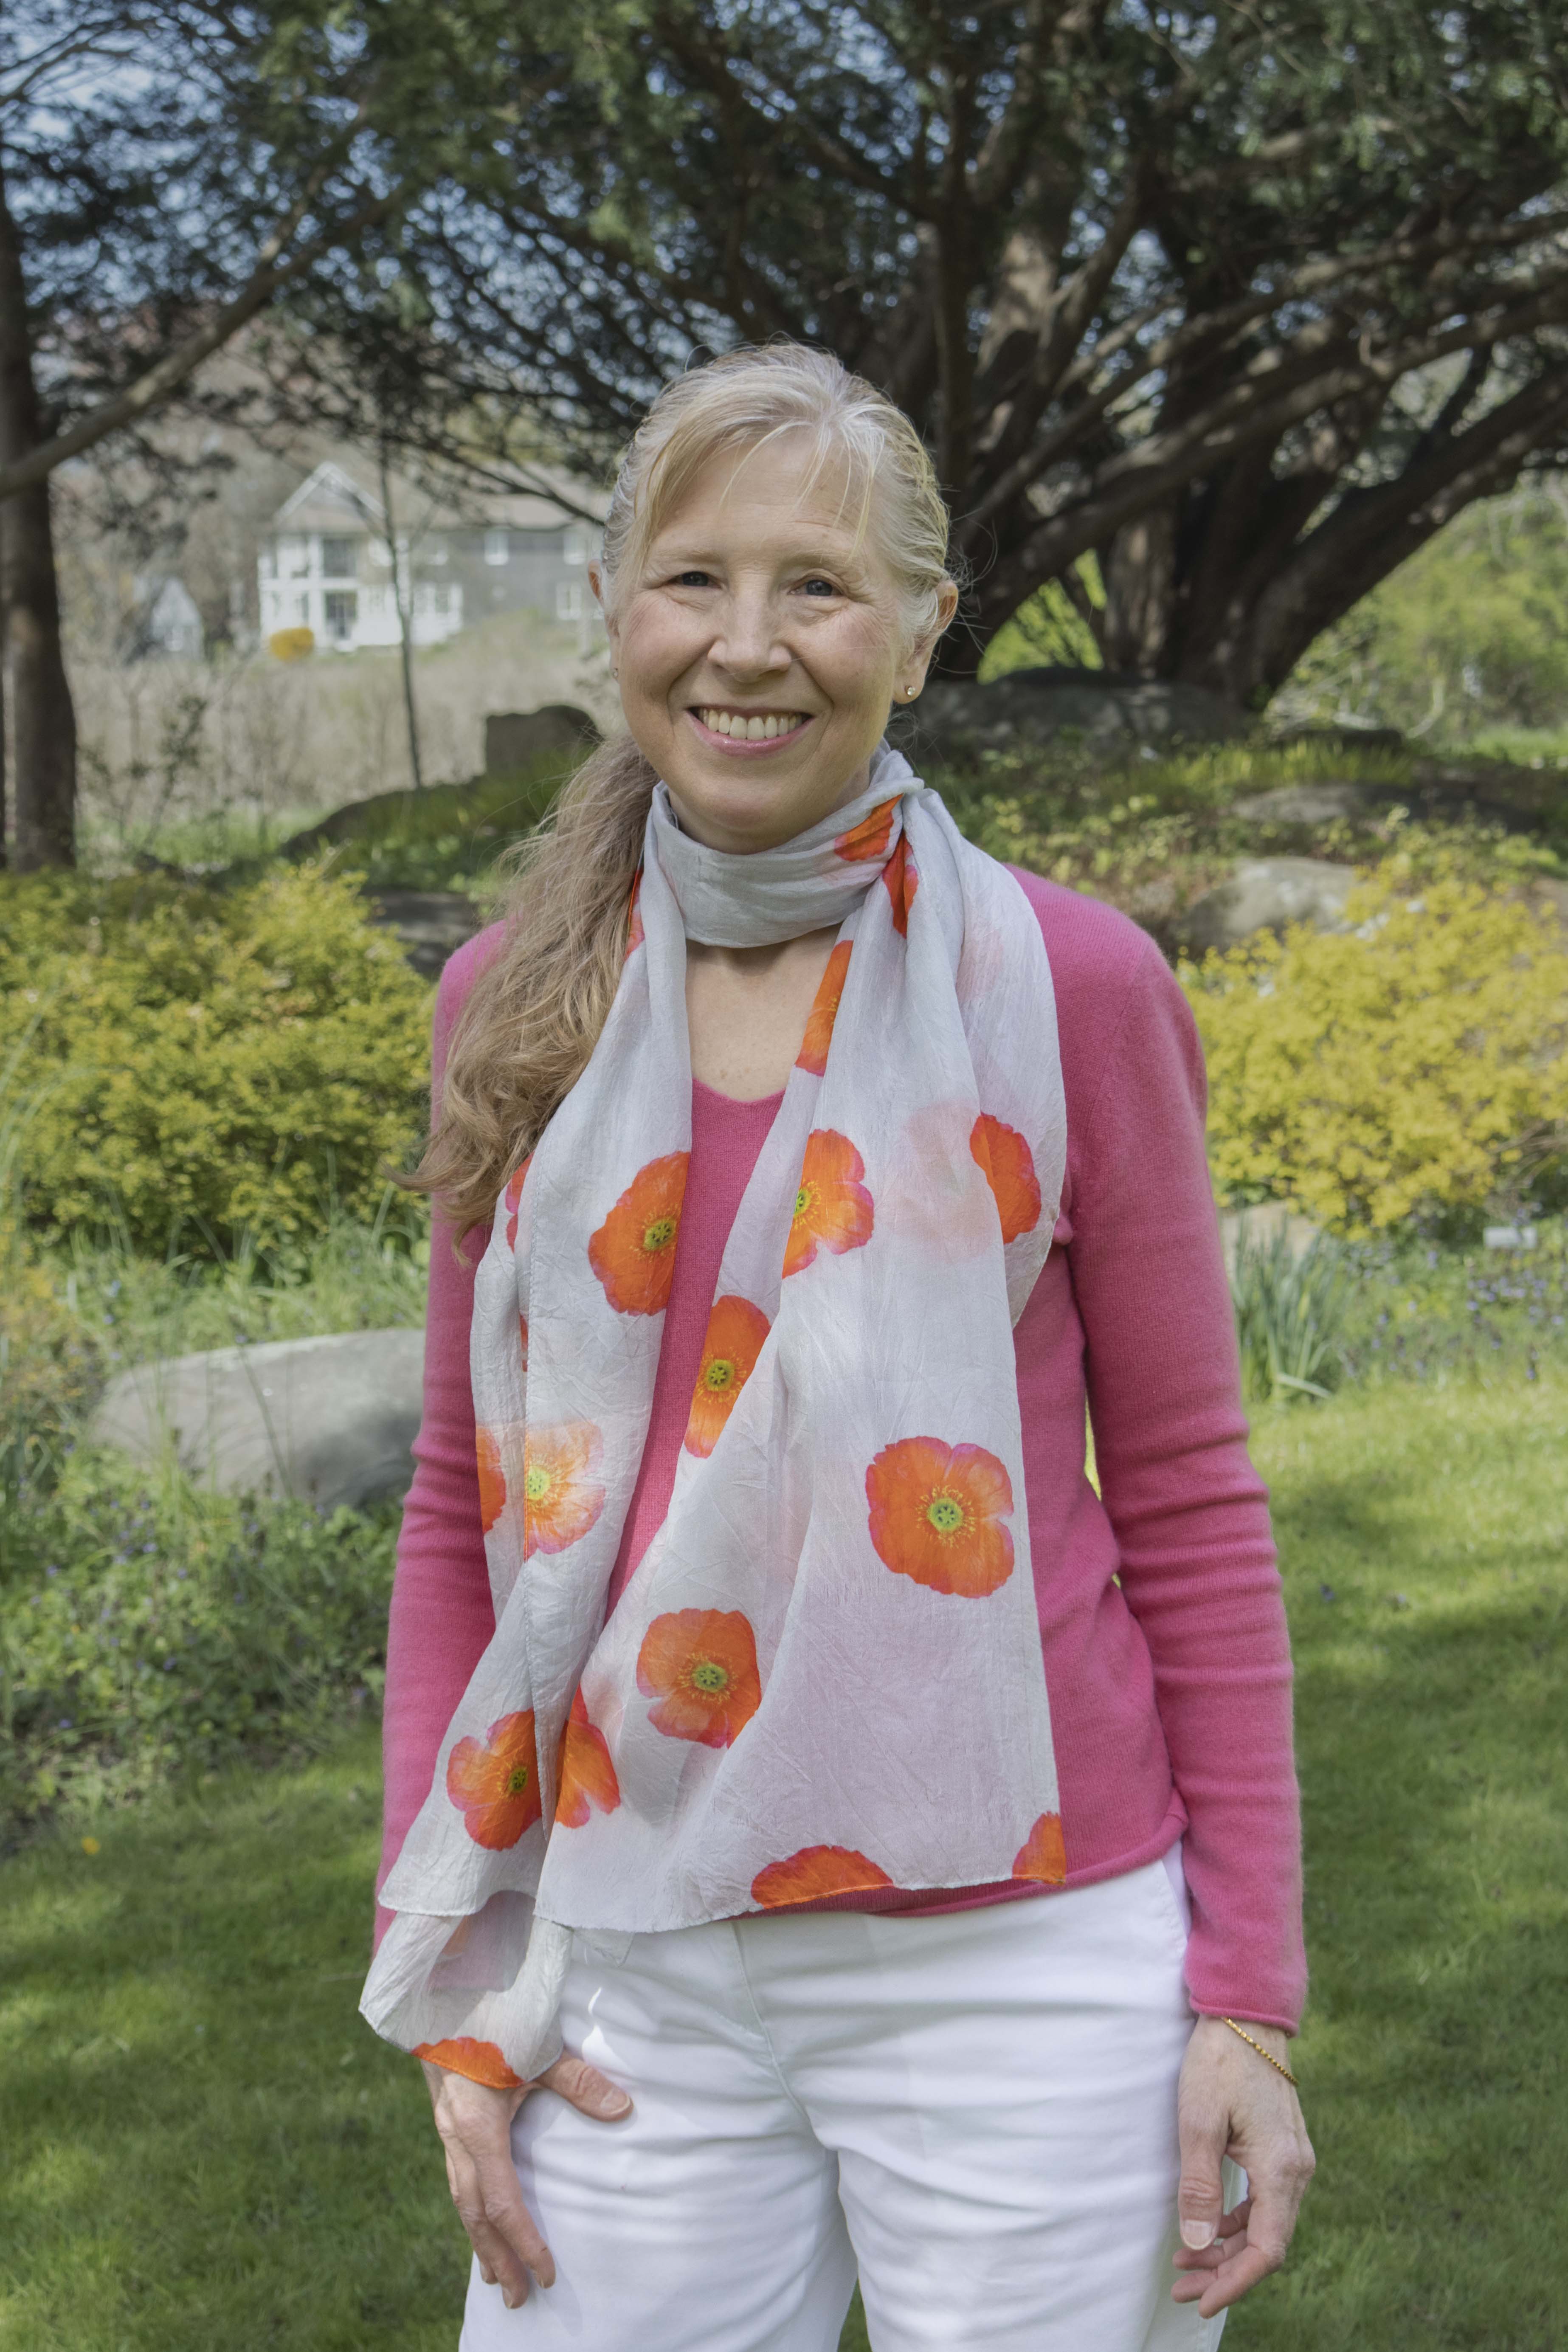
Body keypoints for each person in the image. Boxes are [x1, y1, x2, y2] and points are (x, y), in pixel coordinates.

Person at [363, 344, 1314, 2352]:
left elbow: (1188, 1495)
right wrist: (452, 1962)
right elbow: (459, 1509)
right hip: (629, 1938)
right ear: (616, 605)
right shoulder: (510, 1001)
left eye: (818, 584)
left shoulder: (1066, 985)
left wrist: (1246, 1988)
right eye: (693, 578)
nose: (749, 644)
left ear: (924, 625)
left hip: (1020, 1956)